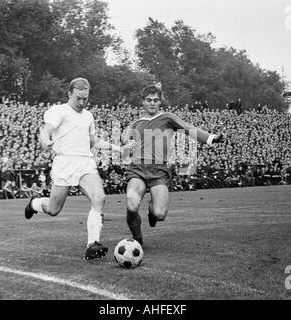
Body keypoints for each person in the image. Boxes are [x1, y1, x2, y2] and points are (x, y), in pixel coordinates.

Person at [24, 77, 136, 260]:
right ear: (70, 93)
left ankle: (92, 244)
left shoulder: (88, 116)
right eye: (79, 98)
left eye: (86, 98)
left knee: (99, 198)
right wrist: (45, 139)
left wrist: (118, 148)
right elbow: (46, 129)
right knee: (53, 209)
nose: (82, 102)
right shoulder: (59, 111)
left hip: (85, 162)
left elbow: (92, 140)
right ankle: (35, 203)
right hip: (65, 163)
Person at [124, 84, 224, 246]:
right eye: (148, 100)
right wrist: (125, 144)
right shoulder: (135, 123)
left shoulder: (167, 118)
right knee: (131, 203)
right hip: (137, 169)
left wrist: (210, 138)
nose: (152, 103)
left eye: (155, 100)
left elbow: (188, 128)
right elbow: (125, 141)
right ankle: (137, 239)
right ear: (142, 102)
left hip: (159, 171)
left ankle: (151, 210)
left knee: (160, 214)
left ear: (160, 102)